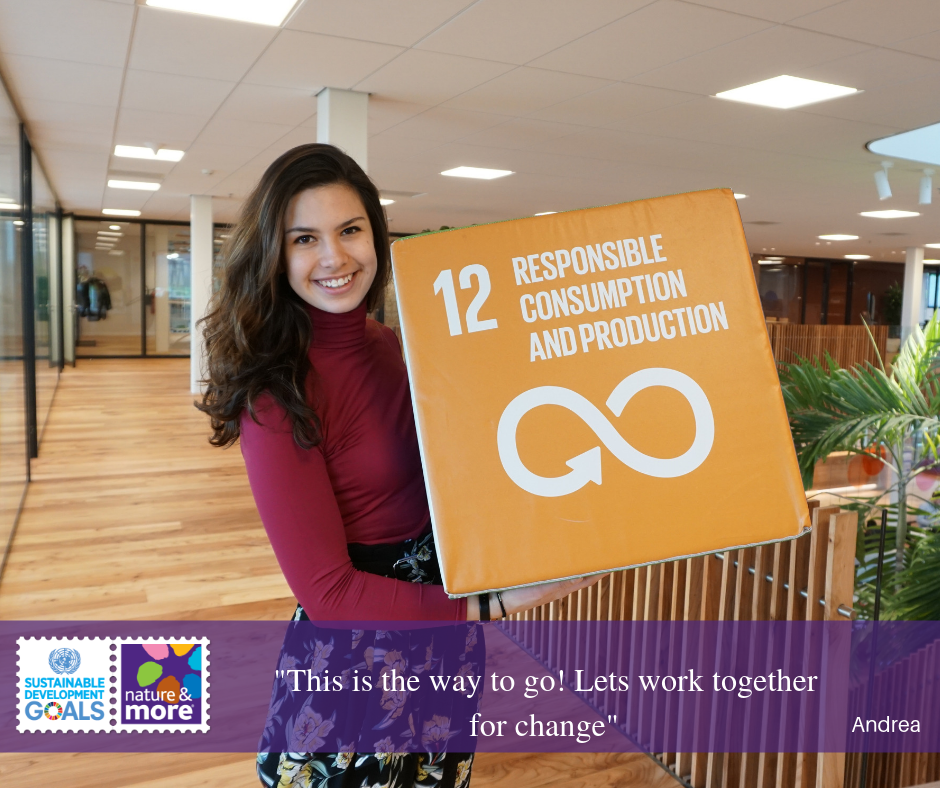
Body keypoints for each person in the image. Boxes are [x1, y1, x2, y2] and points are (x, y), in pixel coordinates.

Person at [197, 143, 594, 787]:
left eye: (350, 230)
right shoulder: (276, 396)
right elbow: (329, 595)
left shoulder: (393, 346)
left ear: (376, 237)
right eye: (305, 238)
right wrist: (494, 604)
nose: (335, 257)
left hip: (439, 626)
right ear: (274, 254)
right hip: (362, 649)